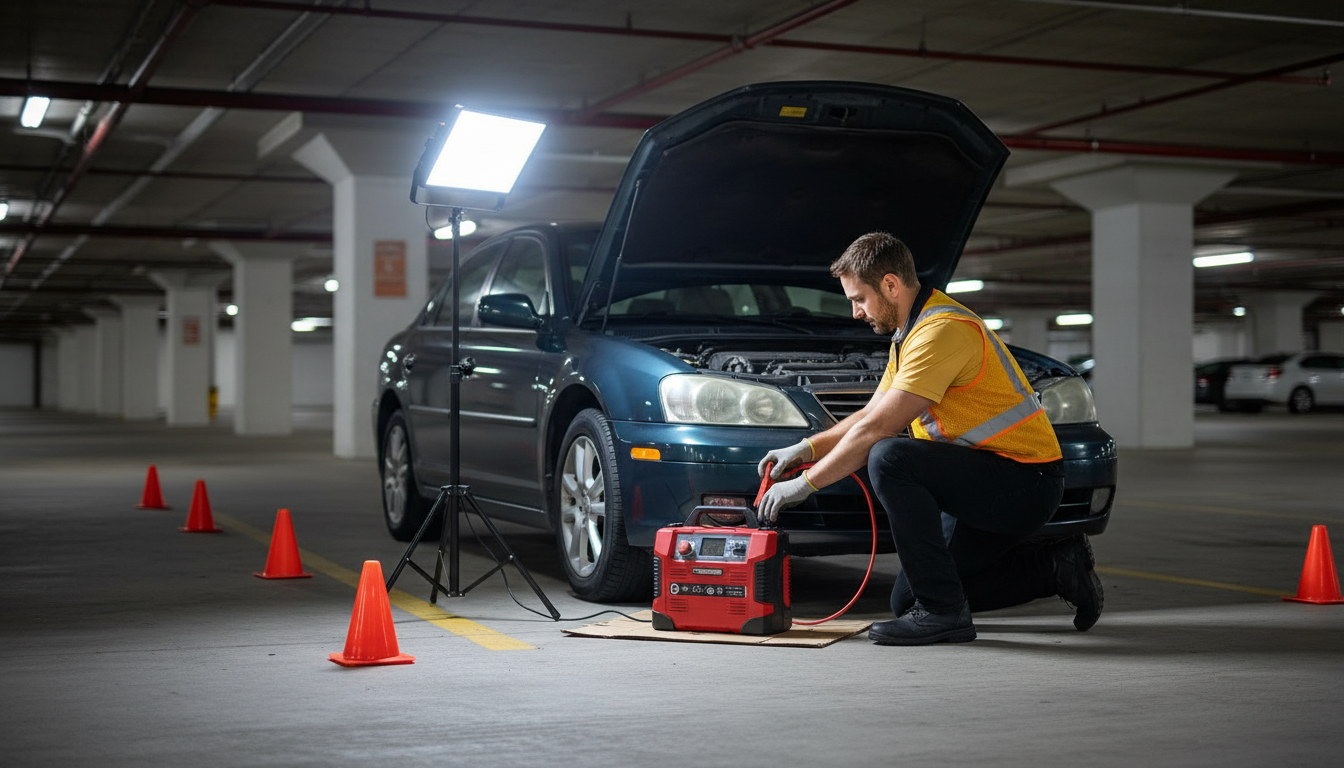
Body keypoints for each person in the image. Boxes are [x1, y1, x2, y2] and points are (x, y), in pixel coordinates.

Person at [757, 232, 1103, 646]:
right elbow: (869, 413)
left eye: (859, 299)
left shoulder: (942, 331)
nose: (855, 313)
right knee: (909, 599)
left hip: (1024, 482)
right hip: (982, 479)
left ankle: (943, 615)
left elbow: (878, 430)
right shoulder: (908, 334)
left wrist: (806, 484)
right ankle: (1057, 567)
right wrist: (806, 449)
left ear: (890, 285)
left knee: (889, 456)